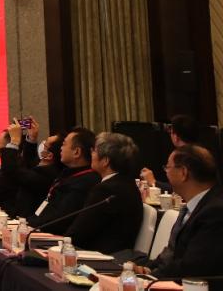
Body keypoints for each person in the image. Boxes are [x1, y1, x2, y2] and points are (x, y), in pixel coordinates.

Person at [136, 145, 223, 280]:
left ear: (183, 172)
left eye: (168, 167)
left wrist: (149, 277)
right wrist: (147, 269)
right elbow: (171, 253)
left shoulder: (215, 212)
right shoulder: (194, 206)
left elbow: (192, 266)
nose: (166, 172)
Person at [64, 132, 143, 254]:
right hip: (118, 254)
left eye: (94, 151)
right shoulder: (128, 183)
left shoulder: (106, 190)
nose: (91, 154)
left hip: (99, 256)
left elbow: (77, 235)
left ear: (105, 161)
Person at [29, 127, 100, 234]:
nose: (61, 149)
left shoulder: (85, 182)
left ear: (77, 152)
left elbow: (59, 219)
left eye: (64, 144)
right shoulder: (67, 174)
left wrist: (31, 225)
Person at [0, 118, 64, 218]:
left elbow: (11, 171)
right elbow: (29, 163)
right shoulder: (43, 168)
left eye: (45, 144)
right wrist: (32, 138)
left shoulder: (47, 175)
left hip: (27, 221)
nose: (42, 143)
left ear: (49, 155)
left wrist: (14, 142)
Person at [140, 114, 201, 187]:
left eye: (168, 167)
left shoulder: (183, 157)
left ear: (176, 137)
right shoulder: (202, 154)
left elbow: (182, 188)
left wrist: (154, 182)